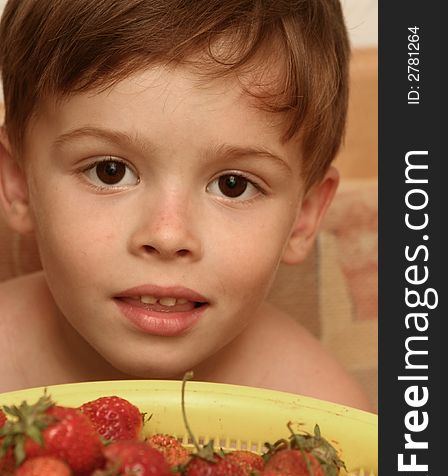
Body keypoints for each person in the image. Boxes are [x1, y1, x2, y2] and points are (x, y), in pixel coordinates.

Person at [0, 0, 371, 410]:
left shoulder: (318, 412)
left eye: (233, 186)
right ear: (17, 181)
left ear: (303, 216)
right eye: (109, 171)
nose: (168, 234)